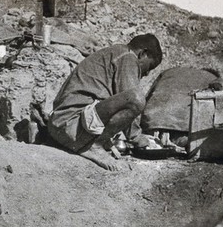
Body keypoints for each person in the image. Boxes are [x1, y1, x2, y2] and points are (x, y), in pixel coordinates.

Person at [47, 33, 163, 170]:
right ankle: (94, 146)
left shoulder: (114, 53)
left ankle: (94, 142)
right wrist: (137, 137)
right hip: (72, 127)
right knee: (136, 98)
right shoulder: (128, 57)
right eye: (149, 67)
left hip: (61, 126)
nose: (147, 73)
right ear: (142, 53)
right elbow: (131, 97)